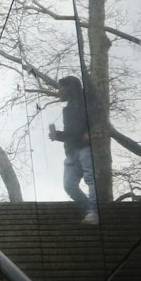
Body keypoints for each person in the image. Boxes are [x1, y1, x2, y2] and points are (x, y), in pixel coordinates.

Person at [47, 75, 98, 224]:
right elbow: (71, 134)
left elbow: (97, 117)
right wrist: (57, 135)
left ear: (70, 87)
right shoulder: (67, 109)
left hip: (85, 149)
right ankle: (91, 210)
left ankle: (94, 212)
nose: (59, 91)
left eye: (61, 87)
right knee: (69, 185)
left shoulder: (85, 101)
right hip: (71, 151)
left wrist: (90, 130)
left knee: (90, 179)